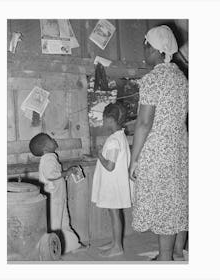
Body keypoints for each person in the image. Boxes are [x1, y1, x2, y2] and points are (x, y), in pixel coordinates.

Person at [129, 25, 188, 261]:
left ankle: (165, 259)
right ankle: (177, 251)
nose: (144, 51)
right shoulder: (181, 77)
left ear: (154, 49)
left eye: (145, 46)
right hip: (180, 148)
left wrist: (133, 160)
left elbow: (144, 123)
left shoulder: (152, 79)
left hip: (159, 152)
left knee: (164, 202)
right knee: (178, 199)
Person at [29, 133, 87, 254]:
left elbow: (55, 175)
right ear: (45, 148)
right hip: (54, 198)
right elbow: (51, 175)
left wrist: (66, 173)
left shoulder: (50, 156)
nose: (54, 139)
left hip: (58, 197)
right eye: (50, 139)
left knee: (64, 221)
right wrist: (67, 172)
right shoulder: (48, 158)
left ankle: (72, 245)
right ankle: (53, 249)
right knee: (57, 223)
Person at [91, 102, 133, 257]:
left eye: (104, 118)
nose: (103, 122)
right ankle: (115, 241)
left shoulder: (114, 140)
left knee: (114, 214)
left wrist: (99, 155)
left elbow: (109, 166)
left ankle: (117, 247)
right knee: (114, 213)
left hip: (112, 184)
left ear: (109, 119)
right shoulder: (119, 136)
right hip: (115, 183)